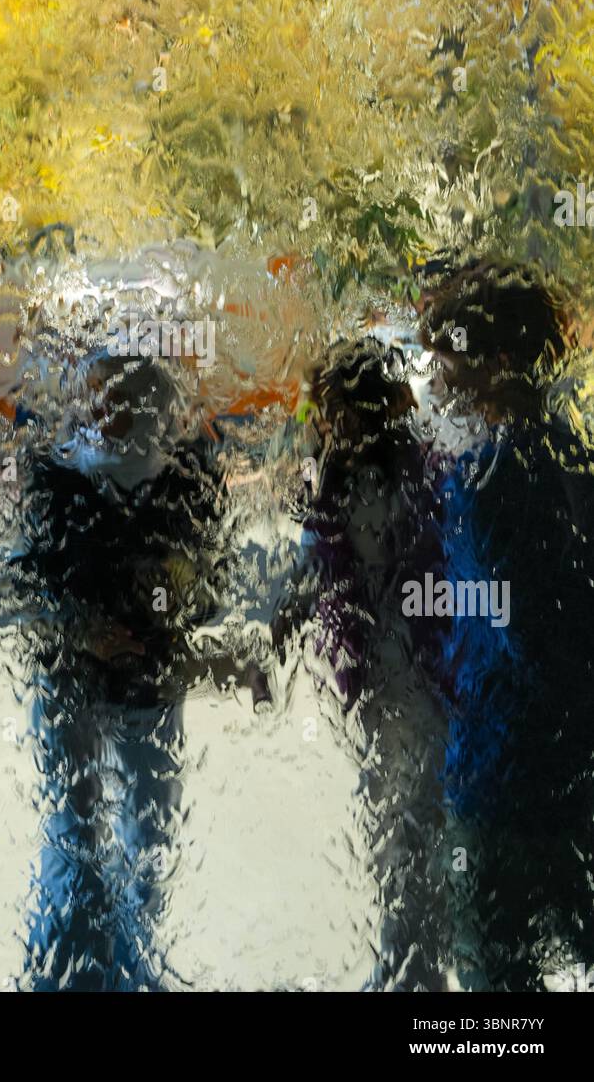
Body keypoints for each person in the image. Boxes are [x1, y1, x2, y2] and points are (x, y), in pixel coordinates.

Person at [10, 343, 269, 991]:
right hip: (70, 680)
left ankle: (130, 965)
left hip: (153, 680)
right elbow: (28, 577)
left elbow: (213, 583)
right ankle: (67, 971)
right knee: (76, 829)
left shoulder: (188, 480)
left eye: (117, 394)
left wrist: (170, 609)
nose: (100, 406)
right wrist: (81, 630)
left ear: (151, 404)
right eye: (95, 392)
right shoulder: (57, 474)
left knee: (150, 836)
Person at [419, 259, 594, 991]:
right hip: (574, 774)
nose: (435, 374)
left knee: (497, 999)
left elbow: (509, 632)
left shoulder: (482, 480)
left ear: (493, 363)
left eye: (448, 353)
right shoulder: (576, 457)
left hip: (500, 777)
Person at [272, 337, 449, 990]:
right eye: (325, 410)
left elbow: (453, 564)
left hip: (429, 681)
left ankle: (412, 975)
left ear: (375, 408)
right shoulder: (331, 477)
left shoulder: (428, 473)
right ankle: (405, 966)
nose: (328, 422)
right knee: (387, 833)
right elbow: (314, 560)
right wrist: (286, 619)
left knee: (414, 835)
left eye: (340, 409)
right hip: (373, 685)